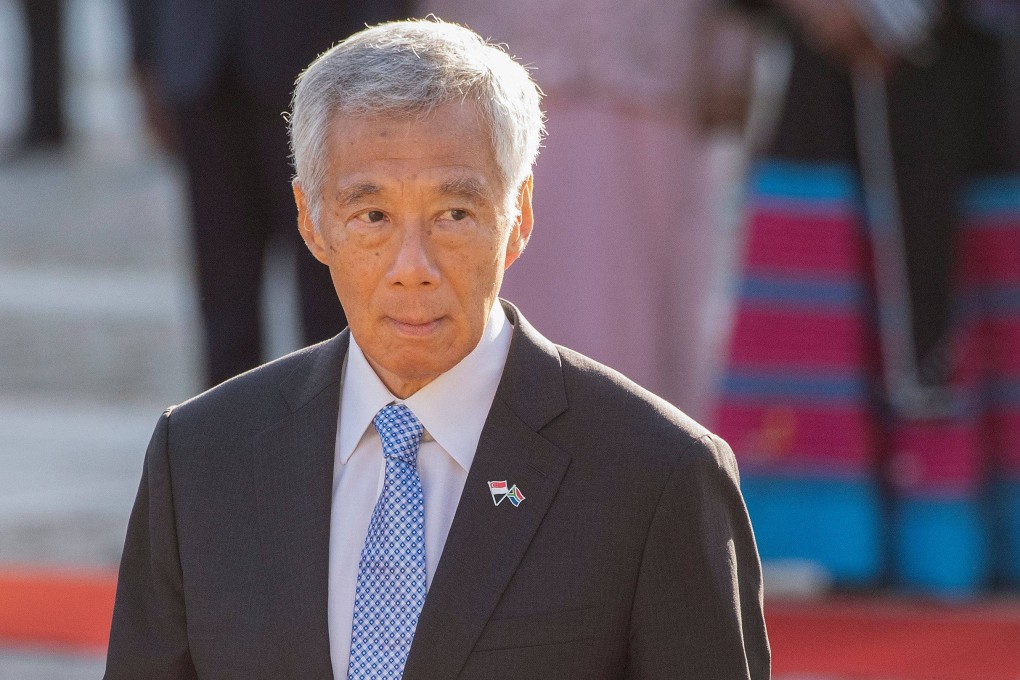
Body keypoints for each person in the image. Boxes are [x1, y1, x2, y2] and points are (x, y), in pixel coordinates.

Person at [105, 19, 769, 679]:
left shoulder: (658, 474)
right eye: (373, 217)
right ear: (311, 221)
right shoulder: (199, 459)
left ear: (520, 217)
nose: (412, 266)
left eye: (453, 214)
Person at [717, 0, 1020, 594]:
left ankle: (958, 537)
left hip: (967, 85)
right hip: (825, 89)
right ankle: (821, 538)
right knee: (822, 294)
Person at [127, 0, 409, 387]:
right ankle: (222, 437)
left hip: (321, 60)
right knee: (221, 290)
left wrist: (382, 57)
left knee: (331, 281)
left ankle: (336, 428)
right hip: (199, 58)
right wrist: (144, 54)